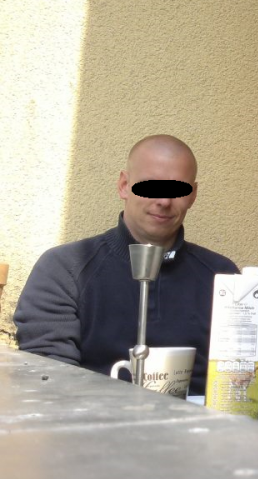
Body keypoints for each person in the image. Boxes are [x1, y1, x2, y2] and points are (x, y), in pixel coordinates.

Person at [13, 135, 238, 395]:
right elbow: (49, 378)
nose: (164, 201)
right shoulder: (65, 269)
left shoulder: (223, 277)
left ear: (192, 195)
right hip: (89, 418)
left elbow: (239, 380)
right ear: (124, 186)